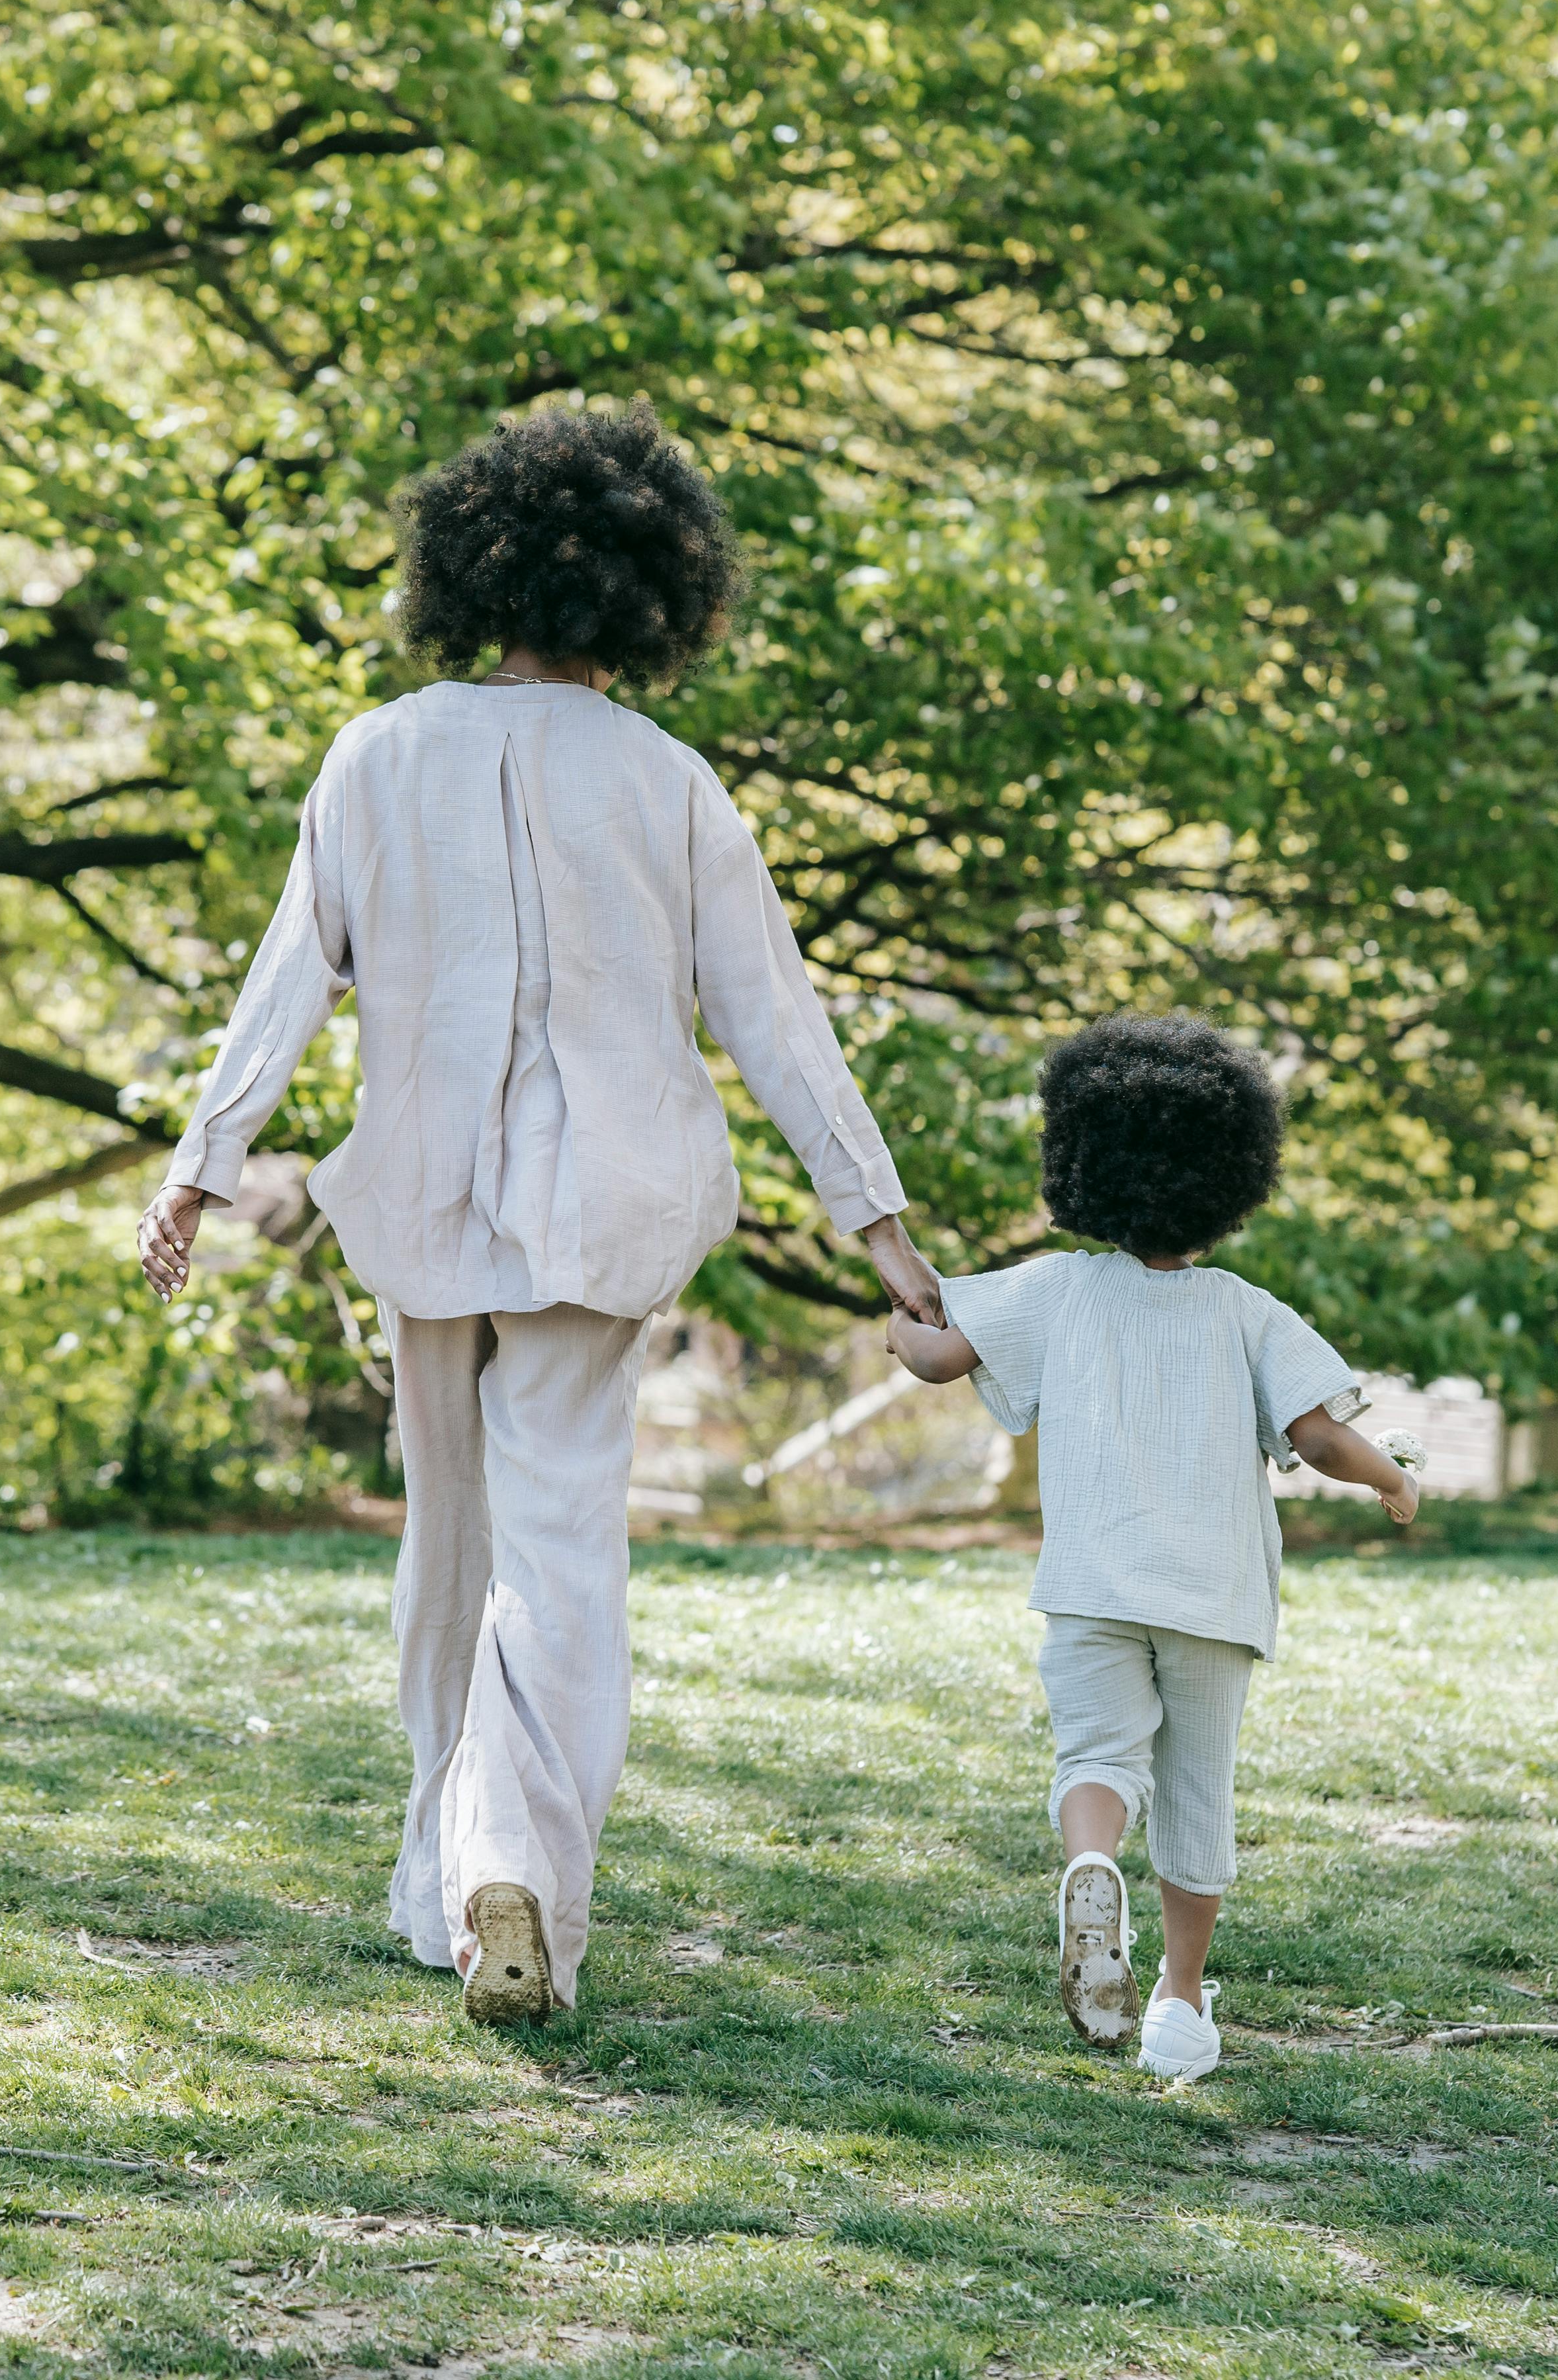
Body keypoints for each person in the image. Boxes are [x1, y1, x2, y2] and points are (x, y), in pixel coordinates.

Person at [133, 402, 947, 2029]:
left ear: (472, 571)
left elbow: (288, 976)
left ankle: (445, 1863)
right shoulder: (675, 782)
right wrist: (883, 1233)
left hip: (422, 1204)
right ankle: (513, 1875)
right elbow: (782, 1026)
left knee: (450, 1545)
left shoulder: (374, 753)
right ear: (655, 595)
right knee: (562, 1551)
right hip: (610, 1208)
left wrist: (205, 1157)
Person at [881, 1013, 1418, 2083]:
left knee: (1098, 1759)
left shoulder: (1053, 1289)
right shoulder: (1248, 1313)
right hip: (1215, 1597)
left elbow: (938, 1354)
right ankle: (1177, 2003)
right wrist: (1395, 1480)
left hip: (1089, 1584)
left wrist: (898, 1321)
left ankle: (1092, 1865)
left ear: (1080, 1163)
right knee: (1197, 1789)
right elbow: (1319, 1438)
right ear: (1231, 1179)